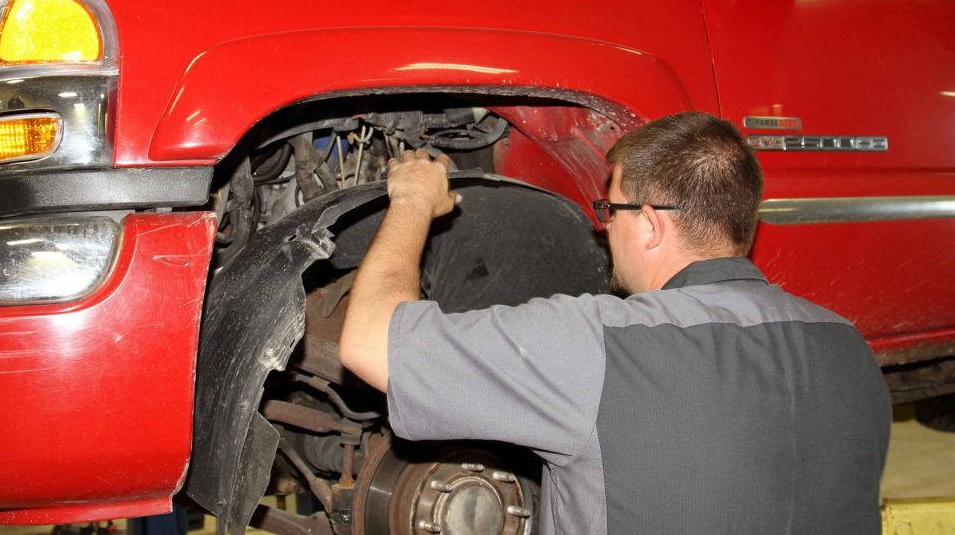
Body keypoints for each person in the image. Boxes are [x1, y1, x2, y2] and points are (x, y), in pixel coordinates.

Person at [339, 111, 891, 534]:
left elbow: (370, 342)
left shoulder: (602, 344)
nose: (604, 230)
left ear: (650, 225)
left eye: (611, 211)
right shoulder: (849, 348)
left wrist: (411, 200)